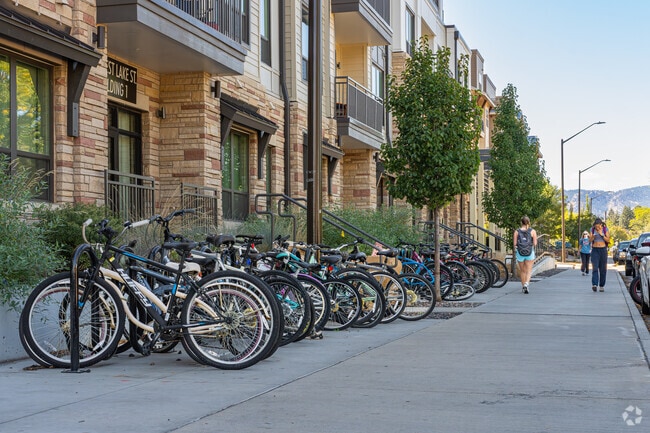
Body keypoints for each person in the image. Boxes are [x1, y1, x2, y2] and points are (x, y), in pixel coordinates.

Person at [514, 216, 537, 294]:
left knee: (522, 271)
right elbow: (535, 243)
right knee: (528, 270)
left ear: (521, 222)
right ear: (529, 222)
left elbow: (514, 244)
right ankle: (527, 284)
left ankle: (523, 286)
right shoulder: (532, 231)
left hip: (520, 252)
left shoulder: (517, 231)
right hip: (529, 252)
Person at [588, 217, 610, 292]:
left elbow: (608, 240)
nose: (597, 228)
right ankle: (594, 284)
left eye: (598, 226)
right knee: (595, 267)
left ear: (601, 225)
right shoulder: (592, 229)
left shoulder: (605, 229)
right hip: (595, 250)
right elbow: (589, 240)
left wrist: (602, 234)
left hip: (603, 250)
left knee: (603, 269)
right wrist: (592, 237)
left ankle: (601, 285)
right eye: (595, 226)